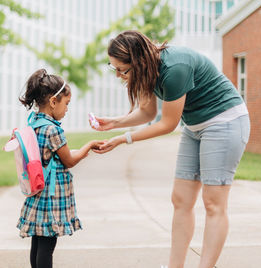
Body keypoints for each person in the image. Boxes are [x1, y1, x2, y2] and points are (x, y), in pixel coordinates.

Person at [93, 30, 250, 268]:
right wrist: (114, 123)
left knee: (213, 202)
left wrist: (122, 139)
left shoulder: (174, 68)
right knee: (180, 199)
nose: (117, 74)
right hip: (196, 126)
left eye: (121, 69)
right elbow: (147, 113)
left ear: (138, 62)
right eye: (112, 67)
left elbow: (167, 124)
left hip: (224, 122)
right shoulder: (147, 71)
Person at [17, 69, 103, 268]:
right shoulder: (53, 129)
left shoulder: (34, 124)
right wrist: (89, 145)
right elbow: (69, 160)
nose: (67, 109)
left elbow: (51, 155)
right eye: (66, 104)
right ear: (54, 101)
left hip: (37, 192)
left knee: (38, 242)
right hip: (51, 195)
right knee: (48, 244)